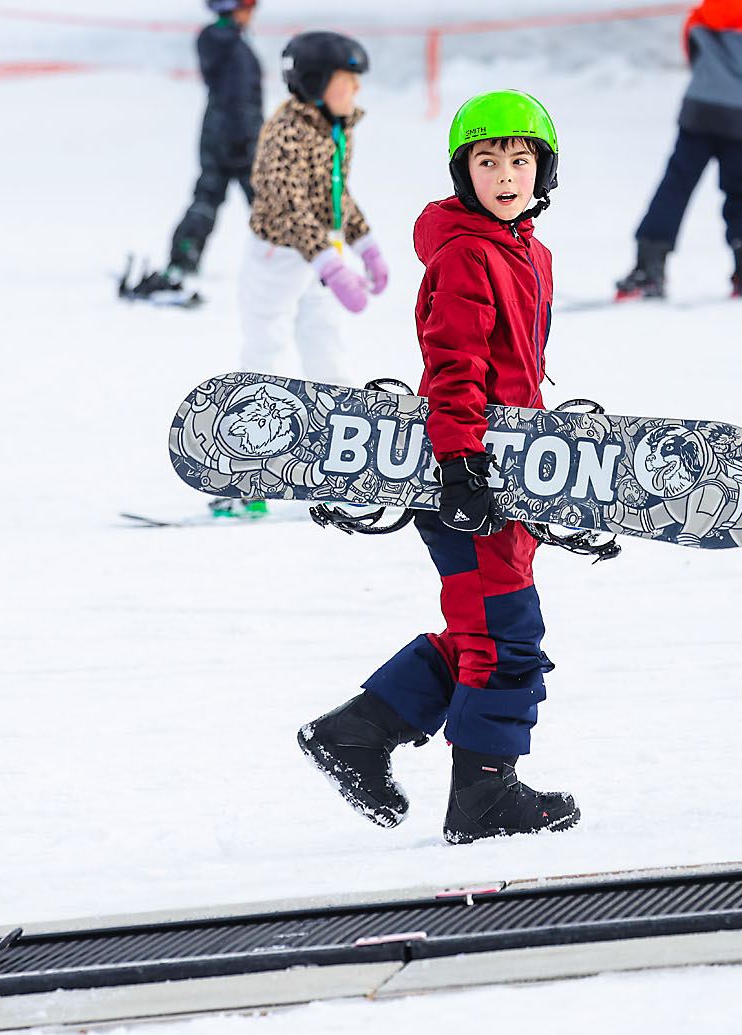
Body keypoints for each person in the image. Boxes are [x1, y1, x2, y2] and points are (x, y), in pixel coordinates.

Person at [298, 90, 578, 845]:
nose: (505, 174)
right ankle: (485, 796)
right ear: (465, 173)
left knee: (485, 627)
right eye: (487, 161)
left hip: (502, 467)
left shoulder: (528, 250)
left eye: (520, 159)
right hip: (466, 468)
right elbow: (453, 368)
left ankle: (358, 732)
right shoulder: (464, 253)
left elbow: (516, 373)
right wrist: (461, 467)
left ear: (541, 169)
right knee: (507, 636)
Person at [615, 0, 742, 300]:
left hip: (699, 109)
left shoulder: (709, 8)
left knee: (676, 185)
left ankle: (649, 266)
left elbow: (692, 47)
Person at [239, 29, 386, 385]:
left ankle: (334, 400)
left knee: (325, 335)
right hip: (279, 256)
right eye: (347, 79)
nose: (357, 87)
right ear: (315, 83)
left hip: (323, 251)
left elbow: (335, 194)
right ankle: (257, 403)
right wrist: (332, 268)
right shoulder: (286, 132)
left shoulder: (337, 128)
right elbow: (289, 207)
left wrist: (366, 246)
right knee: (267, 337)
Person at [124, 1, 264, 303]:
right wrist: (247, 138)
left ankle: (183, 256)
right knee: (267, 200)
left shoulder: (214, 40)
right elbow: (241, 95)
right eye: (250, 4)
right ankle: (296, 258)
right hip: (239, 133)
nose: (254, 11)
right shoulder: (235, 48)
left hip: (214, 130)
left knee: (208, 196)